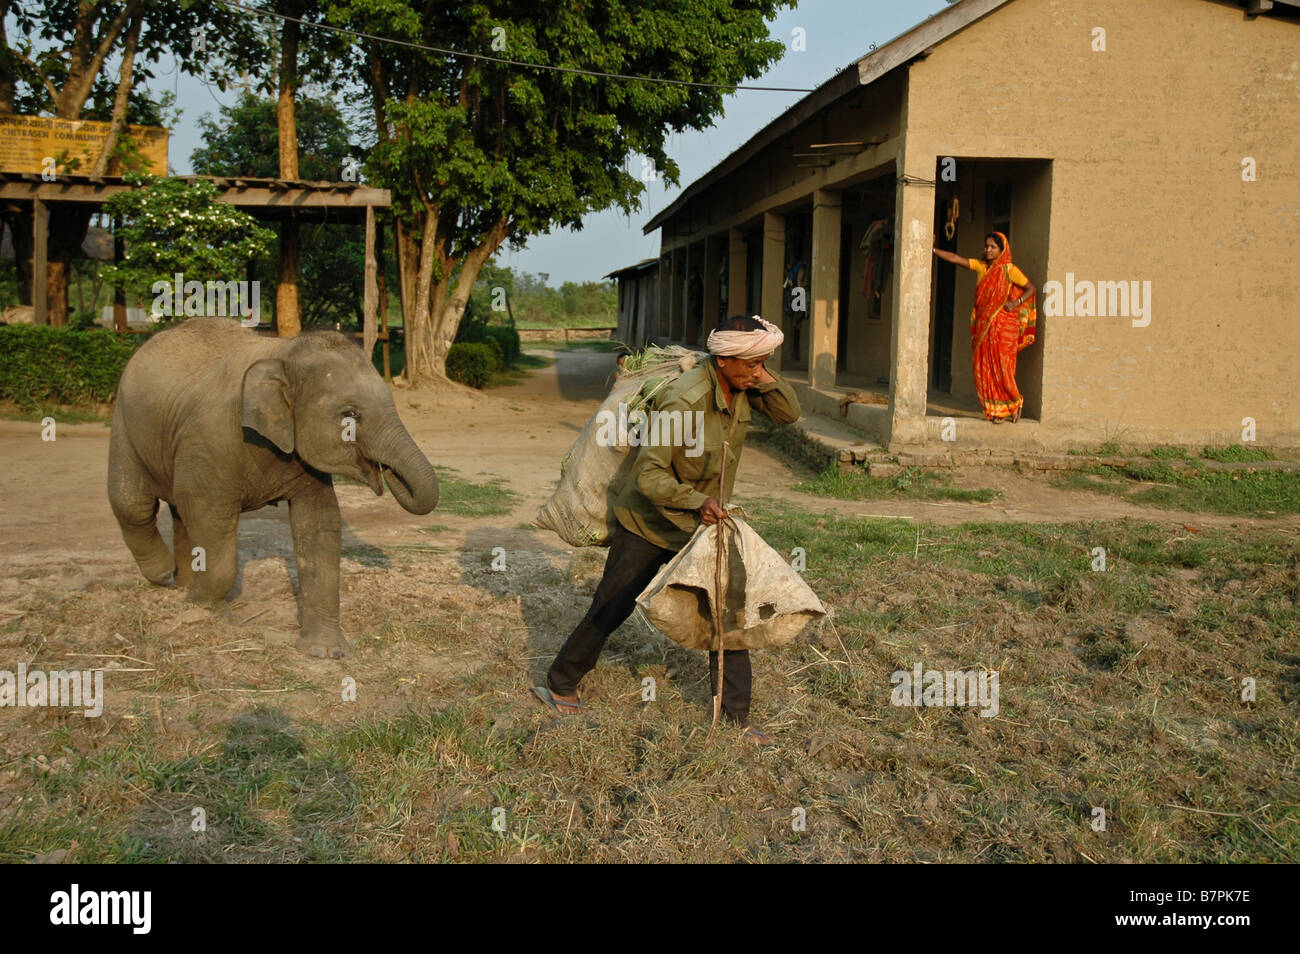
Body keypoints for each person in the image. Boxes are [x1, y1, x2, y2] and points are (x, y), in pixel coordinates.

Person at [534, 315, 801, 746]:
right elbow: (649, 476)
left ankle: (736, 719)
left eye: (763, 363)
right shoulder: (685, 400)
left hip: (703, 527)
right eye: (751, 364)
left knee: (727, 615)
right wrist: (698, 502)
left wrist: (759, 368)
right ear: (724, 360)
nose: (758, 373)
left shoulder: (743, 385)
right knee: (613, 604)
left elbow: (790, 412)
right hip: (651, 523)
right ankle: (561, 682)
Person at [933, 231, 1037, 423]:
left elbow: (1031, 288)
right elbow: (956, 259)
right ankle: (996, 410)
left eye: (993, 247)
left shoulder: (1008, 270)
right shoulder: (982, 267)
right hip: (984, 328)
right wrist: (931, 249)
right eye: (986, 246)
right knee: (985, 368)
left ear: (1001, 249)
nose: (988, 250)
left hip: (1004, 328)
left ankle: (1014, 403)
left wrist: (1015, 303)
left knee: (1003, 369)